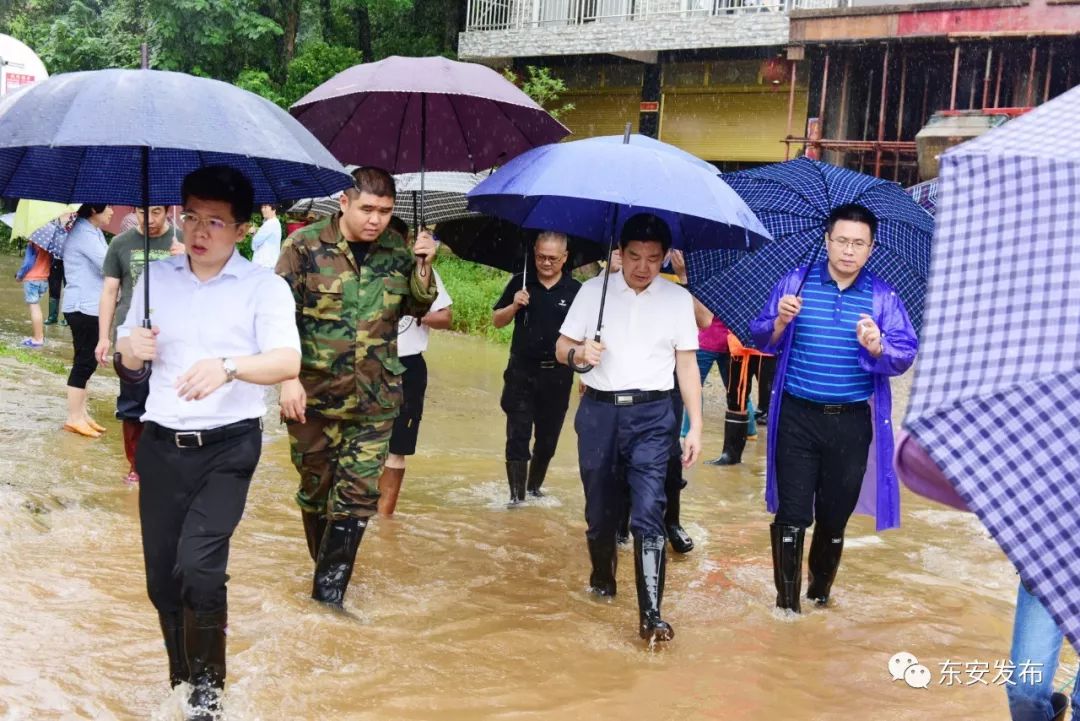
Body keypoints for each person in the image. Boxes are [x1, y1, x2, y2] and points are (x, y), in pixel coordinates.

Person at [116, 166, 300, 720]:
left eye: (215, 222)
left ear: (241, 229)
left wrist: (227, 367)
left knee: (199, 567)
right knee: (161, 581)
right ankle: (181, 675)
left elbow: (286, 360)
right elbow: (128, 366)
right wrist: (131, 353)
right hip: (161, 444)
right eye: (191, 217)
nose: (199, 231)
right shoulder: (155, 279)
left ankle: (208, 691)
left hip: (228, 448)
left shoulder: (264, 287)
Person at [277, 167, 436, 608]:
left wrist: (424, 265)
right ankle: (322, 571)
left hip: (374, 399)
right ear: (344, 202)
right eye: (367, 209)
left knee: (357, 498)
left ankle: (329, 598)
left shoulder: (397, 252)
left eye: (385, 211)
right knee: (316, 491)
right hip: (312, 396)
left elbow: (418, 306)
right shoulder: (303, 246)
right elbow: (275, 319)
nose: (376, 220)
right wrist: (287, 379)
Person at [749, 203, 917, 613]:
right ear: (827, 241)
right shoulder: (796, 283)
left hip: (851, 424)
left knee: (833, 517)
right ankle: (787, 608)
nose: (848, 250)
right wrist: (779, 323)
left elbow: (904, 352)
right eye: (841, 240)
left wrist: (878, 346)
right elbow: (760, 336)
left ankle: (819, 594)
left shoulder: (882, 297)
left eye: (858, 243)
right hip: (796, 418)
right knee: (791, 514)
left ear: (871, 248)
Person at [556, 213, 703, 643]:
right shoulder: (592, 292)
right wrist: (578, 355)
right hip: (599, 413)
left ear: (664, 260)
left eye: (654, 259)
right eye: (635, 256)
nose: (643, 267)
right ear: (620, 253)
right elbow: (561, 344)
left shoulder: (677, 301)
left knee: (649, 510)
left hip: (654, 416)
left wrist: (694, 426)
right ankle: (603, 581)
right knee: (600, 514)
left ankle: (651, 614)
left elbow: (687, 365)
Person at [95, 206, 184, 483]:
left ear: (169, 212)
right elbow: (110, 292)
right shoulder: (121, 244)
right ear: (135, 211)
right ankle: (136, 465)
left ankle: (168, 463)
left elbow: (207, 285)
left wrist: (190, 258)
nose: (150, 220)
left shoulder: (184, 239)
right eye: (144, 213)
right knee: (133, 402)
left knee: (174, 399)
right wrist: (103, 337)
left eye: (157, 212)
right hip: (129, 333)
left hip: (173, 334)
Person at [492, 231, 581, 504]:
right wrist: (514, 305)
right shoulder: (521, 282)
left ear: (564, 258)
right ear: (534, 252)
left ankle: (533, 488)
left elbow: (585, 336)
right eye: (541, 256)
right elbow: (497, 320)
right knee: (517, 435)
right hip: (521, 371)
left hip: (557, 374)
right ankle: (517, 498)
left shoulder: (576, 290)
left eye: (552, 258)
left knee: (547, 440)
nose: (545, 263)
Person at [377, 218, 453, 516]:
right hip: (370, 366)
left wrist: (418, 313)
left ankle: (384, 518)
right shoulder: (362, 274)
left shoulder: (424, 274)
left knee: (398, 447)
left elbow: (446, 318)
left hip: (408, 366)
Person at [61, 203, 114, 438]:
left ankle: (81, 414)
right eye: (108, 207)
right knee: (84, 362)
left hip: (89, 306)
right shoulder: (84, 233)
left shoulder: (93, 231)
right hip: (84, 306)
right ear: (94, 210)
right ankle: (74, 417)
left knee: (86, 361)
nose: (112, 211)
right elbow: (108, 265)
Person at [15, 238, 51, 347]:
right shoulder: (49, 243)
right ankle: (40, 336)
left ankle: (38, 338)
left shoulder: (34, 242)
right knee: (37, 307)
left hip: (32, 279)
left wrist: (19, 275)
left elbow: (27, 263)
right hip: (44, 279)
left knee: (34, 308)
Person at [250, 203, 282, 269]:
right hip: (269, 263)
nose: (262, 210)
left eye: (265, 207)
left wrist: (253, 234)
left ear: (274, 209)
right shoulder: (274, 222)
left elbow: (255, 243)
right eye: (262, 207)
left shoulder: (270, 224)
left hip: (264, 264)